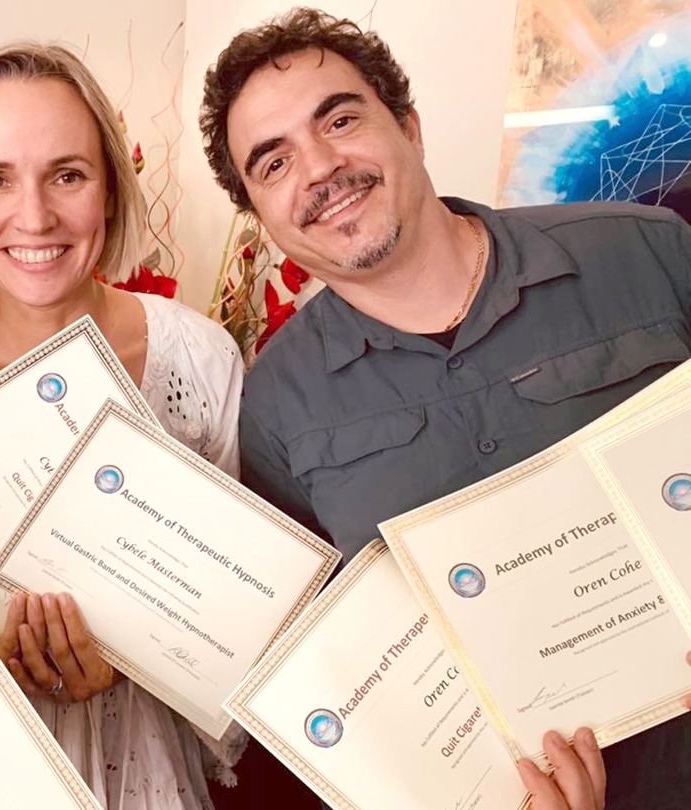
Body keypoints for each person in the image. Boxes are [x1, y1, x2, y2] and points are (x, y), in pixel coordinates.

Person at [198, 8, 691, 810]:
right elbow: (343, 668)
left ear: (411, 129)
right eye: (274, 161)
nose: (320, 168)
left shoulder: (647, 253)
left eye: (341, 118)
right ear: (259, 213)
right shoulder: (276, 403)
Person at [0, 42, 244, 810]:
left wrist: (142, 658)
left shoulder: (199, 357)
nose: (35, 216)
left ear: (110, 190)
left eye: (67, 174)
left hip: (146, 773)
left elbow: (246, 628)